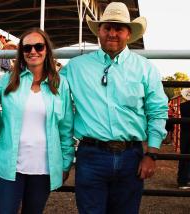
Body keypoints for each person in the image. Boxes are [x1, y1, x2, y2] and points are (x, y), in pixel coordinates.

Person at [60, 2, 168, 213]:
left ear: (128, 33)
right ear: (99, 31)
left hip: (132, 157)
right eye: (107, 27)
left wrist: (152, 154)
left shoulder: (145, 68)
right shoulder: (75, 67)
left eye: (118, 28)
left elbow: (157, 111)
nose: (112, 33)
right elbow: (50, 92)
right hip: (91, 155)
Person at [0, 28, 74, 214]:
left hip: (44, 169)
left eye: (38, 46)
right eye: (27, 47)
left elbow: (66, 127)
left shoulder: (60, 84)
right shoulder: (7, 81)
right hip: (10, 166)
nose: (33, 51)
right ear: (21, 53)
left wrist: (65, 162)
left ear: (46, 50)